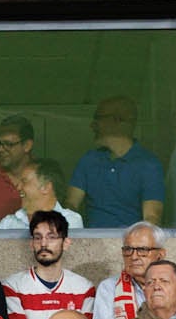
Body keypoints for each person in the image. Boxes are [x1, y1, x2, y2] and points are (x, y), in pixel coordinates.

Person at [4, 213, 96, 319]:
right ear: (31, 243)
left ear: (66, 243)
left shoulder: (84, 288)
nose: (44, 244)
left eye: (52, 237)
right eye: (38, 237)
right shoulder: (13, 285)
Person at [66, 97, 164, 229]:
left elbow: (152, 217)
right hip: (92, 243)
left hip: (130, 244)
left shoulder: (149, 165)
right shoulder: (89, 160)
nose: (92, 125)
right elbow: (70, 206)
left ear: (117, 120)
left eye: (98, 118)